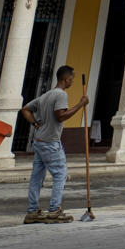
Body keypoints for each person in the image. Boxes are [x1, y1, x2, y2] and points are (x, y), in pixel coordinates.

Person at [22, 65, 85, 224]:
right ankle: (54, 210)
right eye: (72, 78)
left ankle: (32, 211)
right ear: (66, 79)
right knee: (60, 174)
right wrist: (80, 104)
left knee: (36, 177)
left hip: (39, 141)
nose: (72, 81)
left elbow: (25, 109)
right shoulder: (61, 95)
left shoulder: (46, 95)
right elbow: (61, 116)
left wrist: (35, 124)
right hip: (50, 142)